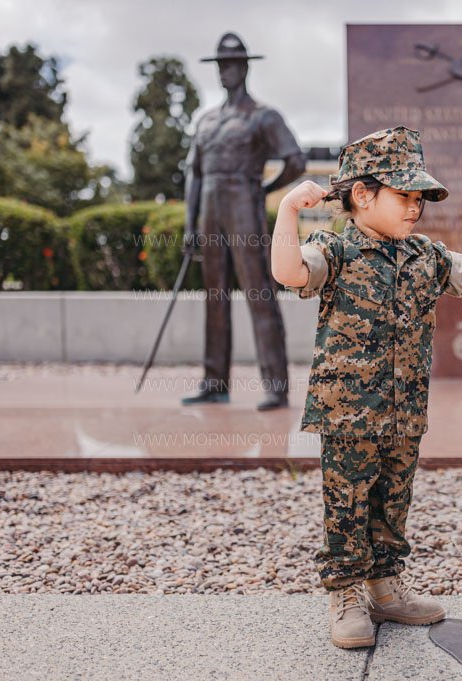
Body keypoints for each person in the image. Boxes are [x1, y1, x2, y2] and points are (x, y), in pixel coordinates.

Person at [271, 126, 462, 649]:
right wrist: (288, 212)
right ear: (362, 194)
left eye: (419, 198)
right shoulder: (335, 249)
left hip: (404, 409)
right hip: (348, 412)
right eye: (404, 196)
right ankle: (346, 591)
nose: (414, 207)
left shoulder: (425, 255)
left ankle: (385, 585)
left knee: (393, 499)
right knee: (347, 501)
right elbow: (289, 272)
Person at [181, 32, 306, 411]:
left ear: (245, 67)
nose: (225, 72)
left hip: (245, 210)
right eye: (220, 65)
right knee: (214, 298)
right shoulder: (205, 121)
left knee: (259, 294)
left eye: (231, 64)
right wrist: (191, 224)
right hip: (210, 212)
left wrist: (264, 187)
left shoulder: (264, 116)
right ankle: (214, 381)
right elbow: (194, 174)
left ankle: (276, 386)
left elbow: (296, 161)